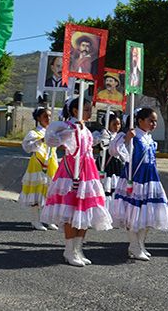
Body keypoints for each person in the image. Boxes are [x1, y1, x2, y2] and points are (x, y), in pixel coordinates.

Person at [41, 98, 112, 267]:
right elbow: (55, 142)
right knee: (71, 211)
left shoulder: (85, 129)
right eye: (86, 109)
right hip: (73, 171)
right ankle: (69, 249)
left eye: (89, 109)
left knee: (85, 210)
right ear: (74, 111)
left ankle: (78, 249)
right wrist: (68, 133)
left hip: (88, 171)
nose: (89, 112)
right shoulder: (70, 128)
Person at [109, 107, 168, 261]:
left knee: (148, 212)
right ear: (140, 120)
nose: (153, 124)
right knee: (133, 212)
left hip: (150, 179)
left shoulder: (150, 139)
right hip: (135, 178)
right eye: (151, 120)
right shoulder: (131, 136)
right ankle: (134, 245)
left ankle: (140, 244)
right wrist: (127, 139)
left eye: (155, 121)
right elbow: (114, 152)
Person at [19, 107, 59, 231]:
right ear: (38, 118)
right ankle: (35, 220)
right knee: (36, 191)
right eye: (45, 116)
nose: (48, 119)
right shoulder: (34, 133)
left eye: (49, 116)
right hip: (38, 164)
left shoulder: (52, 132)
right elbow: (27, 147)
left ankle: (49, 220)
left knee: (49, 192)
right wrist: (40, 140)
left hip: (51, 164)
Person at [95, 113, 123, 210]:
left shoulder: (120, 136)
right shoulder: (102, 134)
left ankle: (113, 210)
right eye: (114, 124)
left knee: (114, 188)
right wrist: (101, 138)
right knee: (103, 187)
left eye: (118, 124)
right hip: (104, 163)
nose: (117, 126)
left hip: (116, 165)